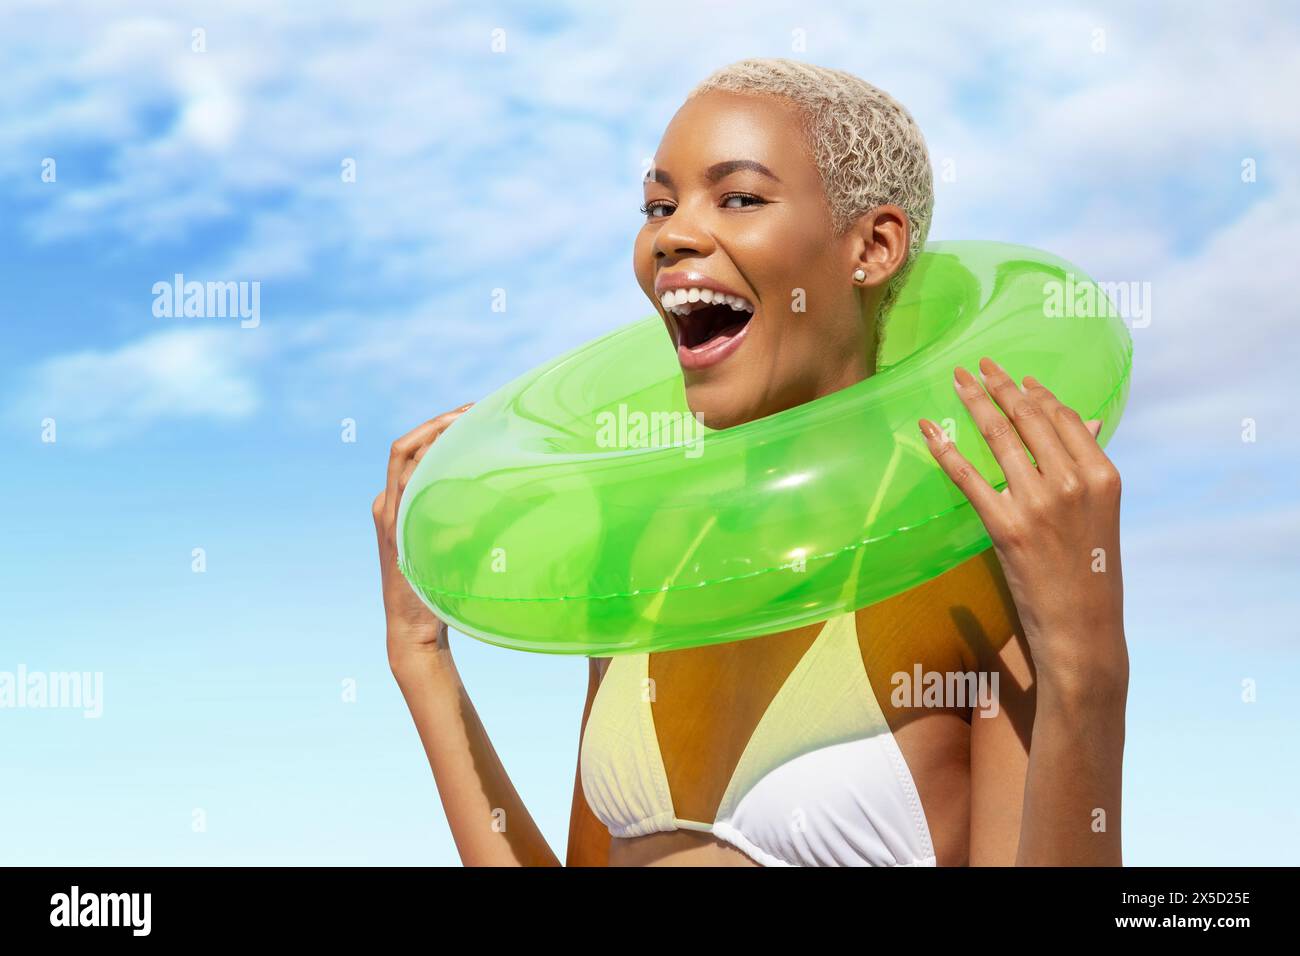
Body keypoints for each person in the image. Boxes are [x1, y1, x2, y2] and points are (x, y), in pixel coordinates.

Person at [373, 58, 1128, 867]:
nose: (672, 235)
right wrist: (420, 658)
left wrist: (1087, 669)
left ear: (872, 245)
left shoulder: (967, 559)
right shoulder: (650, 565)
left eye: (738, 197)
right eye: (658, 206)